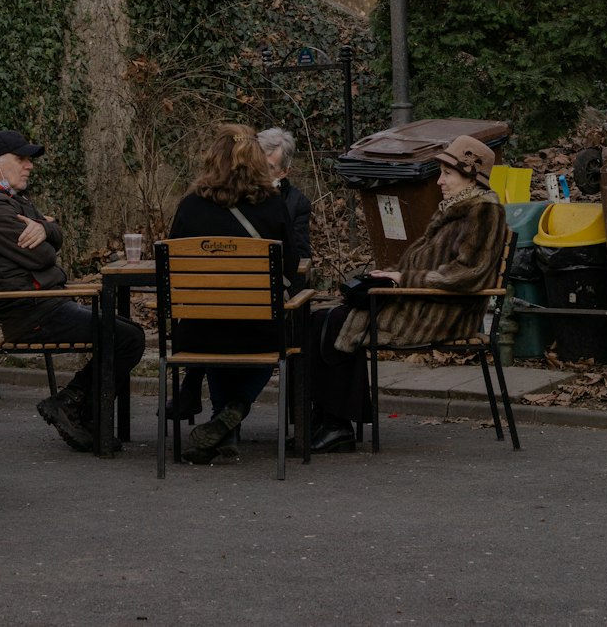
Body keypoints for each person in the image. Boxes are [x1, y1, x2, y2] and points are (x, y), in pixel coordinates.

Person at [308, 134, 506, 454]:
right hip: (422, 300)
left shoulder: (482, 212)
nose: (439, 181)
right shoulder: (457, 209)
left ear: (472, 177)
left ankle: (336, 426)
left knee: (335, 322)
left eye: (448, 174)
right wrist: (391, 276)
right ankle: (324, 420)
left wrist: (403, 278)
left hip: (442, 312)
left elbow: (468, 273)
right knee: (319, 317)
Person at [0, 128, 145, 454]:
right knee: (128, 338)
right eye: (22, 159)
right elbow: (46, 254)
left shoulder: (6, 199)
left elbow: (55, 234)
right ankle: (73, 408)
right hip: (30, 312)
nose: (29, 166)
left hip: (41, 303)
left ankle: (75, 408)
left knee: (126, 333)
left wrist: (45, 228)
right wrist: (47, 237)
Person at [167, 123, 299, 465]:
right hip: (259, 333)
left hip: (196, 333)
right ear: (256, 161)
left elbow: (167, 269)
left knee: (218, 328)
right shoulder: (272, 205)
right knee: (279, 336)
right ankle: (236, 409)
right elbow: (291, 265)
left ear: (212, 158)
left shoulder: (189, 206)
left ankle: (223, 427)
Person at [257, 126, 312, 260]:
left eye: (269, 167)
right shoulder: (229, 194)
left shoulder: (296, 203)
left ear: (284, 172)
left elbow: (300, 257)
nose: (259, 170)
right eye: (256, 162)